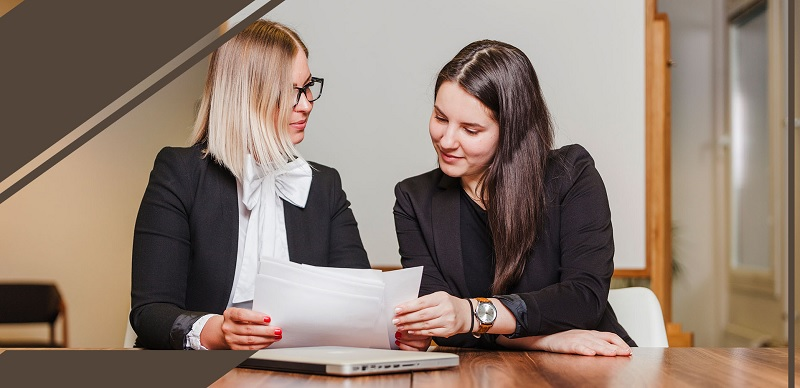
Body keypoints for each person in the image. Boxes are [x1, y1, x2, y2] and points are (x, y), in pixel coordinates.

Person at [130, 20, 370, 350]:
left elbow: (359, 301)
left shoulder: (323, 185)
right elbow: (150, 313)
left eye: (308, 86)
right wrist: (219, 331)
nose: (307, 104)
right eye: (290, 92)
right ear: (245, 96)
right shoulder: (180, 174)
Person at [391, 40, 635, 356]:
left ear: (512, 131)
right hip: (485, 373)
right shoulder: (414, 199)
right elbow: (443, 324)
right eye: (440, 118)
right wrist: (544, 338)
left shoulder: (571, 175)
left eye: (470, 129)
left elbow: (583, 298)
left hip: (592, 363)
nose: (447, 140)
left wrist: (471, 315)